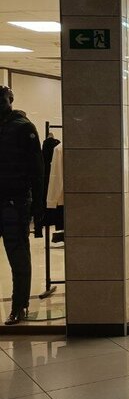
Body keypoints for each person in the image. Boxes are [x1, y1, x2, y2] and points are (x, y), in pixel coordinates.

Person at [0, 85, 44, 325]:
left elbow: (37, 171)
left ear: (10, 100)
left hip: (14, 202)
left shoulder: (23, 128)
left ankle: (19, 305)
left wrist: (39, 207)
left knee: (17, 256)